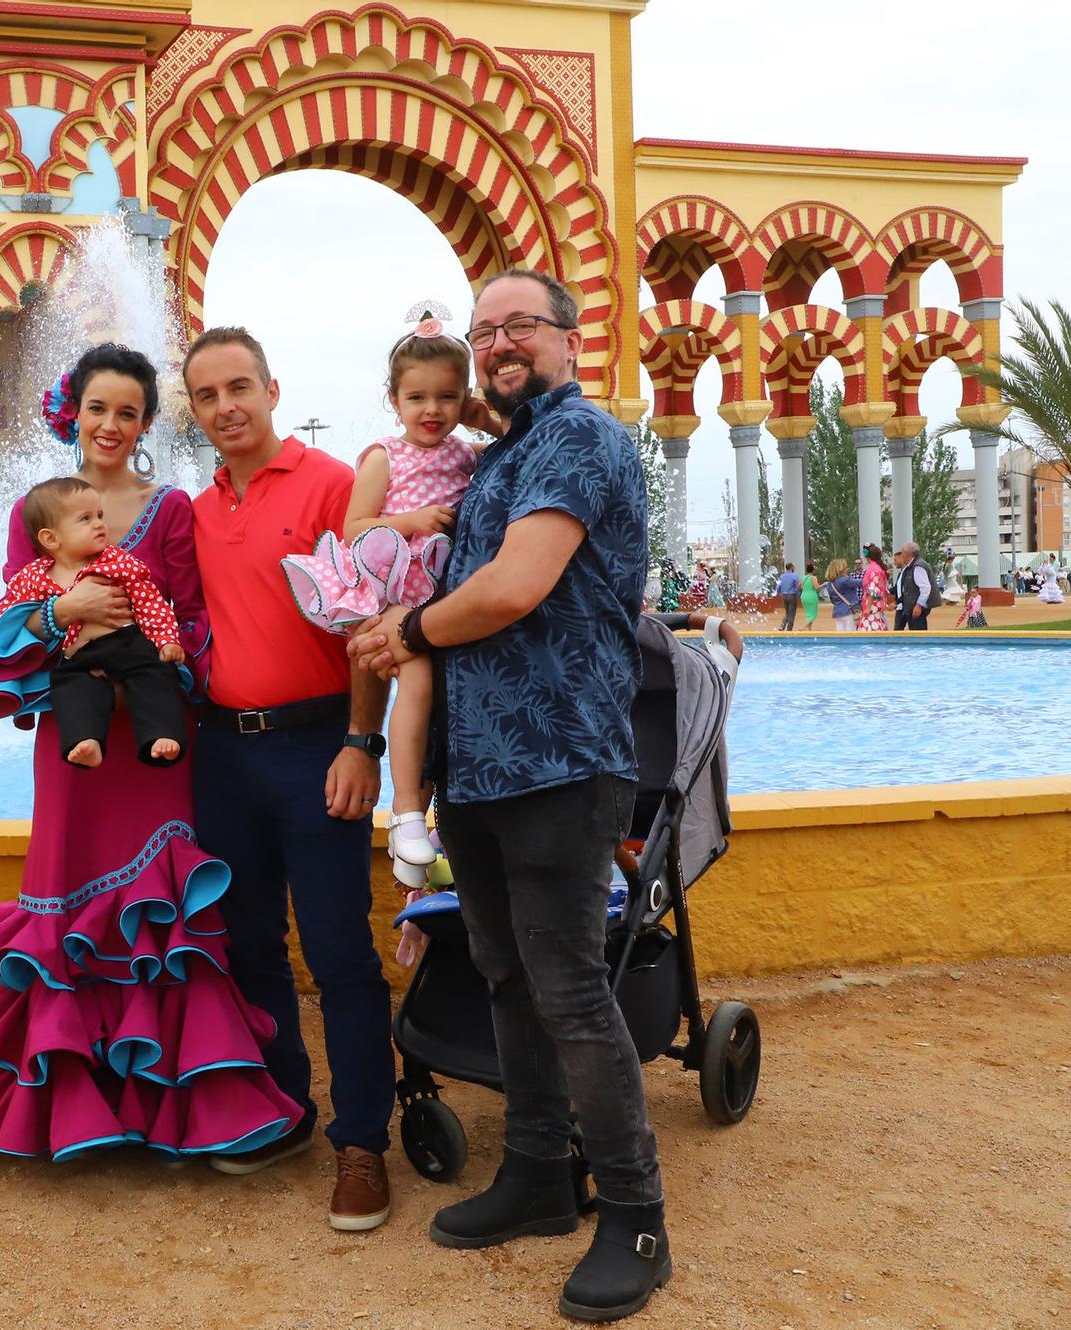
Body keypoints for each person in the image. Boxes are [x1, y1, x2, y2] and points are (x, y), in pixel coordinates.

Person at [352, 269, 667, 1320]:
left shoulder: (580, 440)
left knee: (568, 986)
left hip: (564, 761)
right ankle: (535, 1175)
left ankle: (633, 1213)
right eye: (482, 330)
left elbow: (513, 586)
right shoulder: (496, 462)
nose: (495, 344)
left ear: (571, 339)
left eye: (517, 325)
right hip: (482, 767)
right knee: (503, 977)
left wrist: (404, 631)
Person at [0, 342, 301, 1162]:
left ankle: (175, 1109)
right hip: (74, 749)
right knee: (69, 907)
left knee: (159, 914)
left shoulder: (169, 507)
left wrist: (154, 661)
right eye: (98, 408)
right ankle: (76, 1107)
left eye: (128, 411)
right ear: (73, 411)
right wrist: (60, 610)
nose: (111, 425)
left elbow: (188, 613)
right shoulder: (33, 509)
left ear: (146, 423)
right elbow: (10, 625)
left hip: (151, 744)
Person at [182, 325, 396, 1233]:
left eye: (240, 387)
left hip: (318, 745)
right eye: (205, 396)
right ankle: (284, 1111)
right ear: (193, 411)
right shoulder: (193, 509)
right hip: (223, 755)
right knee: (250, 945)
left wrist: (362, 742)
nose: (226, 407)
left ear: (273, 389)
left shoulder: (331, 486)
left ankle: (362, 1145)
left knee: (340, 949)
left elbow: (370, 627)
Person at [280, 302, 476, 894]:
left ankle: (437, 837)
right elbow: (356, 526)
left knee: (455, 705)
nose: (432, 410)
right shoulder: (384, 456)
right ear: (394, 399)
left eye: (447, 397)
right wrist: (414, 518)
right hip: (402, 598)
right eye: (417, 398)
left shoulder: (469, 454)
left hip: (452, 603)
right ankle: (408, 813)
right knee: (414, 687)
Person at [0, 476, 187, 767]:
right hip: (79, 655)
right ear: (51, 538)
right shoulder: (34, 576)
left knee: (155, 672)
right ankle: (86, 741)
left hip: (126, 643)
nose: (99, 524)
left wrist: (166, 639)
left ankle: (160, 733)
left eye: (99, 516)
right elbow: (2, 619)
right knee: (69, 687)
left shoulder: (117, 562)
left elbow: (150, 602)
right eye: (85, 519)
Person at [894, 541, 936, 630]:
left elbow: (925, 588)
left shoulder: (918, 566)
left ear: (908, 554)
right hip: (911, 607)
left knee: (918, 635)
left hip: (915, 608)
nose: (901, 556)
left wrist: (919, 605)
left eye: (902, 553)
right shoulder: (912, 566)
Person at [859, 544, 892, 631]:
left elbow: (873, 589)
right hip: (877, 606)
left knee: (869, 631)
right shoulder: (877, 568)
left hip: (872, 607)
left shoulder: (873, 569)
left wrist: (868, 607)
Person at [824, 558, 862, 632]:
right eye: (845, 567)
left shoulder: (829, 584)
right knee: (851, 636)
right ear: (841, 569)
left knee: (840, 636)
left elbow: (832, 601)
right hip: (849, 612)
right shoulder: (845, 580)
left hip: (838, 613)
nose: (846, 569)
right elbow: (862, 582)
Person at [775, 562, 800, 631]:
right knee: (792, 612)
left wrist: (780, 593)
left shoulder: (782, 576)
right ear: (791, 567)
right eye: (794, 567)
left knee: (787, 612)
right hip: (792, 595)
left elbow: (778, 587)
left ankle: (782, 626)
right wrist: (798, 593)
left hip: (784, 596)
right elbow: (797, 587)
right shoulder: (794, 576)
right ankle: (789, 628)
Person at [799, 564, 820, 631]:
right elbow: (816, 587)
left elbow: (800, 587)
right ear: (813, 570)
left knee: (808, 612)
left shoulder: (803, 578)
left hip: (804, 595)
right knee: (813, 613)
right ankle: (803, 627)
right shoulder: (813, 578)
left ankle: (809, 629)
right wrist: (822, 585)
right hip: (811, 596)